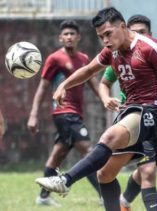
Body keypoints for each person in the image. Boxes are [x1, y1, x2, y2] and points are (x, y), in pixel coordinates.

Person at [35, 7, 157, 211]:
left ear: (123, 27)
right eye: (101, 37)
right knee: (105, 175)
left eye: (108, 33)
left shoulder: (150, 48)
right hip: (129, 112)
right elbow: (89, 70)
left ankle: (66, 180)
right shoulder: (111, 51)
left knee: (110, 139)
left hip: (151, 112)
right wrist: (64, 85)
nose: (105, 40)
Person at [98, 14, 157, 211]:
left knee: (146, 170)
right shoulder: (117, 54)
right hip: (129, 118)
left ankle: (123, 202)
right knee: (147, 170)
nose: (135, 36)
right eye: (133, 31)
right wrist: (105, 98)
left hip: (153, 117)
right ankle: (123, 203)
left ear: (150, 35)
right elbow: (104, 81)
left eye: (141, 32)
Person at [28, 20, 102, 206]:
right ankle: (104, 196)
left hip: (76, 113)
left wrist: (106, 99)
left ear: (78, 37)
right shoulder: (55, 59)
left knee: (58, 154)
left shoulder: (84, 59)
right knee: (88, 149)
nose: (69, 37)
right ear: (60, 38)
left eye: (72, 34)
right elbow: (43, 87)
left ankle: (43, 197)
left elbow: (94, 83)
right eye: (65, 34)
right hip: (63, 112)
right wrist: (33, 114)